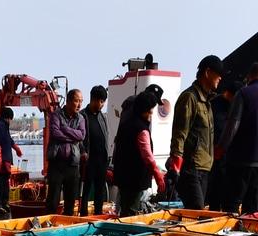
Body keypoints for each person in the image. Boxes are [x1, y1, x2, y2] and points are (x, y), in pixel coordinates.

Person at [217, 62, 258, 213]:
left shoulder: (243, 94)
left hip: (240, 160)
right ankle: (248, 233)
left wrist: (220, 149)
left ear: (249, 75)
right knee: (252, 204)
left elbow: (232, 126)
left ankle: (228, 234)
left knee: (232, 203)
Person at [168, 55, 223, 210]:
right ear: (207, 72)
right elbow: (180, 133)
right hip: (191, 168)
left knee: (198, 213)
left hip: (205, 168)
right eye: (218, 73)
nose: (220, 77)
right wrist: (175, 165)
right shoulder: (190, 98)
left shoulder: (207, 102)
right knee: (197, 212)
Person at [111, 86, 167, 216]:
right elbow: (147, 154)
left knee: (125, 209)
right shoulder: (141, 129)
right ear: (144, 110)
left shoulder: (127, 123)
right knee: (131, 210)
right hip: (135, 178)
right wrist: (157, 174)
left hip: (123, 176)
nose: (151, 115)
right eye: (150, 111)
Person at [45, 89, 85, 215]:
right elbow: (55, 133)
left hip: (73, 165)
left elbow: (82, 135)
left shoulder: (81, 118)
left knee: (70, 200)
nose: (79, 105)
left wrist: (65, 129)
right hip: (57, 164)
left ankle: (67, 224)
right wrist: (73, 137)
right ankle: (48, 225)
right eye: (76, 101)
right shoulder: (56, 115)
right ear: (68, 101)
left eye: (81, 101)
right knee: (53, 200)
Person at [206, 78, 240, 210]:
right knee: (214, 194)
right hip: (215, 156)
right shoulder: (213, 105)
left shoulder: (236, 106)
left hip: (229, 158)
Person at [0, 107, 22, 220]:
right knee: (0, 183)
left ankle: (5, 203)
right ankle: (1, 204)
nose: (11, 121)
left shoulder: (4, 126)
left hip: (5, 160)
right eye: (11, 118)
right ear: (8, 117)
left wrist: (16, 148)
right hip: (1, 161)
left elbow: (8, 140)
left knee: (5, 182)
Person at [80, 86, 110, 215]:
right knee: (85, 191)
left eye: (103, 101)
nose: (101, 104)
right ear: (92, 99)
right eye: (99, 101)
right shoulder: (82, 115)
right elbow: (79, 138)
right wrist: (83, 153)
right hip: (88, 160)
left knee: (100, 190)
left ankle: (98, 215)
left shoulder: (102, 117)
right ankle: (83, 215)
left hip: (102, 160)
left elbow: (106, 135)